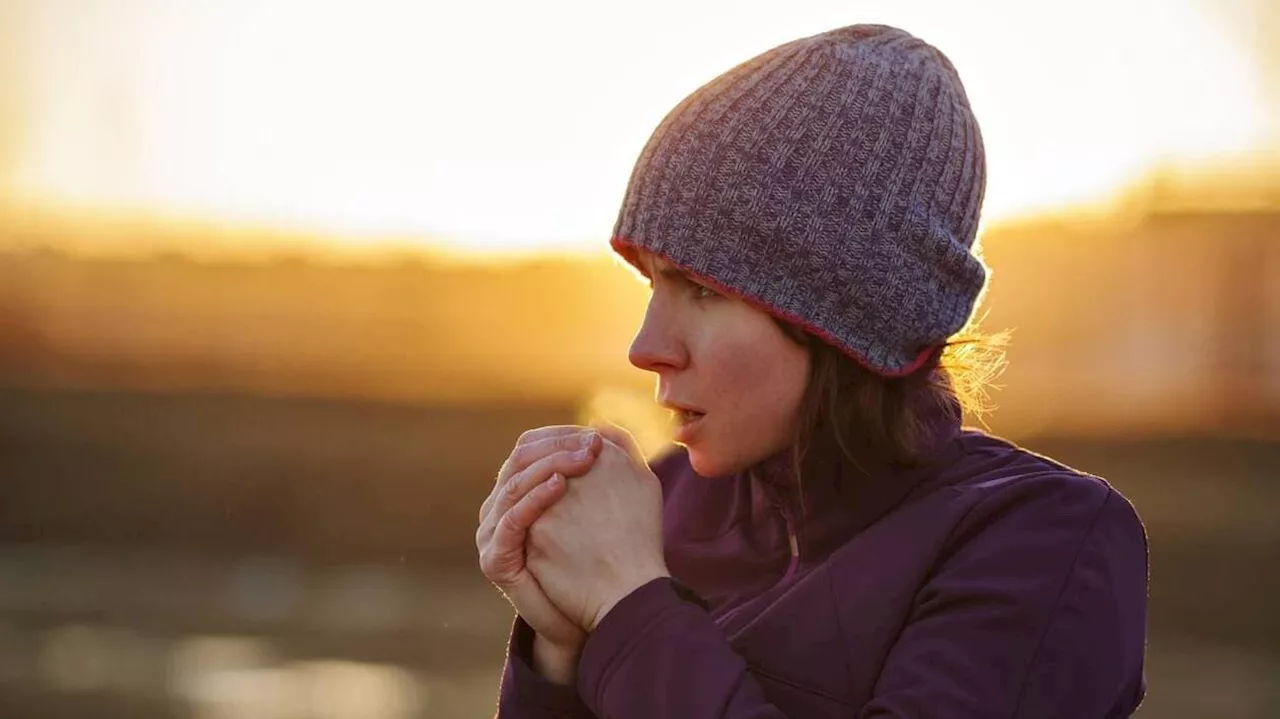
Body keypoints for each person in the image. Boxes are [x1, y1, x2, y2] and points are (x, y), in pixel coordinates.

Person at [475, 23, 1148, 718]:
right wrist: (561, 649)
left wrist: (627, 602)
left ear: (839, 313)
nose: (647, 346)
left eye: (703, 289)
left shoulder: (1041, 539)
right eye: (653, 285)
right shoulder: (666, 502)